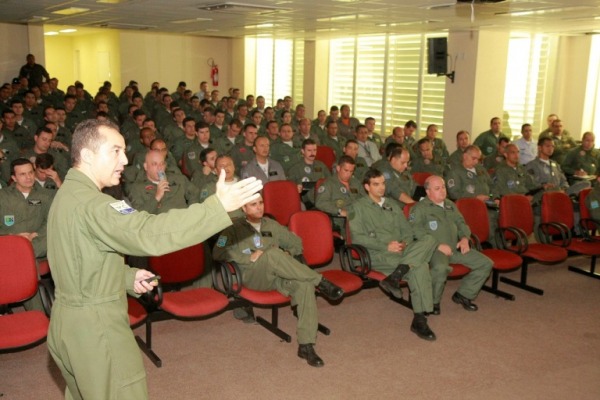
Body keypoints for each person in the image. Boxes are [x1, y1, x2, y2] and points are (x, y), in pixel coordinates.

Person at [46, 119, 262, 400]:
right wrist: (216, 208)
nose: (125, 159)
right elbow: (148, 232)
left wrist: (125, 277)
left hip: (68, 323)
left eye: (124, 151)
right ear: (87, 155)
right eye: (115, 151)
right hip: (97, 329)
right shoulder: (96, 204)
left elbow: (76, 258)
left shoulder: (68, 195)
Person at [213, 194, 344, 367]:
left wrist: (288, 255)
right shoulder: (233, 229)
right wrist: (247, 258)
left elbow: (296, 243)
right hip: (252, 276)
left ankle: (306, 345)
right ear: (243, 209)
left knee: (303, 284)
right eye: (253, 205)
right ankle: (320, 281)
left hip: (276, 277)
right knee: (273, 253)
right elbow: (217, 252)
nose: (259, 207)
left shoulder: (271, 224)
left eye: (261, 203)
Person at [347, 168, 438, 340]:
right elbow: (357, 239)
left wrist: (404, 243)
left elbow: (407, 231)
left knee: (429, 239)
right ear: (367, 186)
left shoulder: (392, 204)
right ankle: (420, 319)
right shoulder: (357, 207)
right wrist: (386, 245)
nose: (381, 188)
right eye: (376, 184)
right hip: (377, 254)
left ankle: (397, 274)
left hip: (401, 251)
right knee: (420, 266)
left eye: (383, 183)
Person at [409, 175, 493, 314]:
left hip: (455, 247)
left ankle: (464, 294)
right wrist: (437, 245)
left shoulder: (450, 204)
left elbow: (461, 223)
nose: (442, 191)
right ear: (428, 192)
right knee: (441, 268)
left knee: (485, 263)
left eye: (443, 187)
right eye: (437, 188)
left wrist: (465, 238)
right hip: (434, 250)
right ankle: (433, 301)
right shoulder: (419, 208)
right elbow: (415, 231)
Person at [0, 158, 54, 259]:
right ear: (14, 178)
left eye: (30, 173)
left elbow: (50, 221)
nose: (28, 177)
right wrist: (13, 236)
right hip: (9, 244)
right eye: (23, 174)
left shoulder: (46, 196)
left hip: (37, 245)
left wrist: (37, 234)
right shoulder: (3, 197)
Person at [128, 150, 199, 214]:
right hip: (160, 226)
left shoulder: (178, 179)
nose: (160, 167)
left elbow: (194, 193)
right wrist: (157, 197)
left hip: (183, 222)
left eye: (162, 163)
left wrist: (191, 212)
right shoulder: (137, 188)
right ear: (146, 166)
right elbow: (139, 216)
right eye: (154, 164)